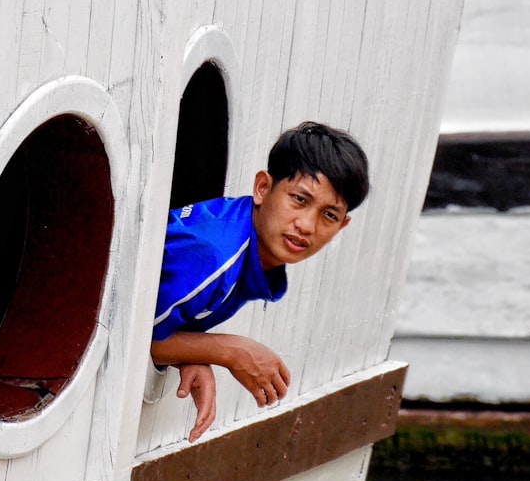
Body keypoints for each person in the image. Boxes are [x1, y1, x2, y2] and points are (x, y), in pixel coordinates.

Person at [150, 121, 370, 442]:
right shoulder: (215, 254)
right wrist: (229, 351)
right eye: (299, 199)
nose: (307, 225)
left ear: (342, 225)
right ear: (263, 188)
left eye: (329, 215)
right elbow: (132, 339)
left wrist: (191, 353)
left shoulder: (240, 235)